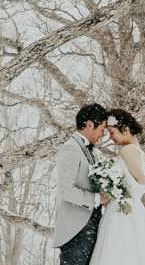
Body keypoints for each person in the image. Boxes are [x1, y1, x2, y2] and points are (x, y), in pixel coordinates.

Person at [88, 108, 145, 265]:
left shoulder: (127, 150)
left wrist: (116, 189)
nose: (111, 138)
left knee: (118, 250)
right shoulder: (133, 149)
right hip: (124, 206)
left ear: (125, 129)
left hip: (122, 210)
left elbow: (142, 183)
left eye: (112, 133)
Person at [53, 103, 111, 265]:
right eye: (102, 129)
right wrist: (98, 198)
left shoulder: (92, 151)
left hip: (90, 227)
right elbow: (67, 191)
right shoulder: (70, 149)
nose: (103, 134)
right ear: (90, 124)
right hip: (76, 230)